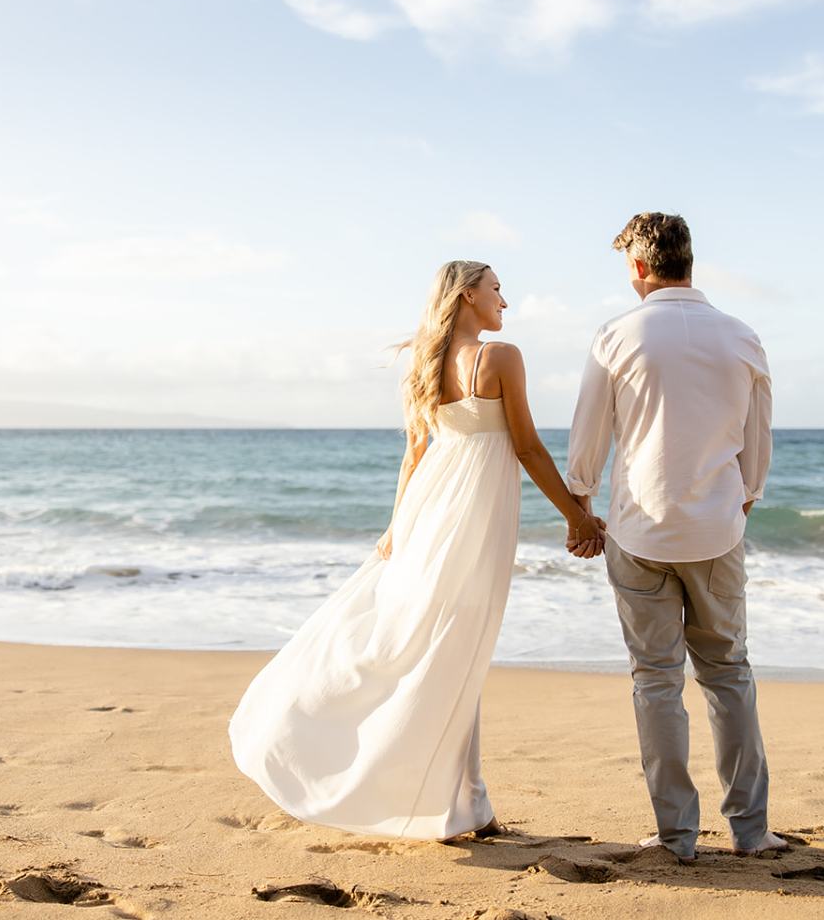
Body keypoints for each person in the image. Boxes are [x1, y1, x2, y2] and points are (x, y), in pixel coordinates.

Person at [230, 260, 604, 840]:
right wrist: (577, 515)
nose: (506, 301)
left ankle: (466, 801)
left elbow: (414, 454)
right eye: (497, 290)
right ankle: (459, 802)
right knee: (459, 646)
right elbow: (527, 447)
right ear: (467, 296)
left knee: (438, 644)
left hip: (432, 510)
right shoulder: (499, 358)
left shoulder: (423, 363)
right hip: (472, 518)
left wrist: (397, 524)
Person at [565, 212, 783, 863]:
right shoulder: (742, 336)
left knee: (655, 681)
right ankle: (750, 831)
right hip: (717, 530)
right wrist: (742, 500)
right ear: (689, 259)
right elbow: (758, 441)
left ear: (637, 266)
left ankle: (677, 837)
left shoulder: (616, 334)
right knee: (727, 676)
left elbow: (587, 440)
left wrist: (579, 504)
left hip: (639, 533)